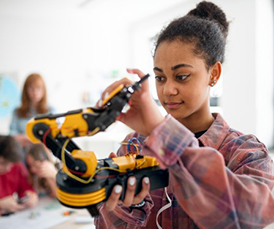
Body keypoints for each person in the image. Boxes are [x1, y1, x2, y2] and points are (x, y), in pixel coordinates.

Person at [94, 1, 274, 229]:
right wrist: (126, 206)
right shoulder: (134, 147)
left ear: (214, 74)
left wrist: (162, 133)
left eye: (181, 76)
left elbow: (246, 220)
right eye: (160, 78)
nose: (168, 90)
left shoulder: (246, 154)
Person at [9, 73, 55, 148]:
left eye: (38, 88)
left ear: (44, 90)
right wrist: (27, 138)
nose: (35, 92)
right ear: (25, 90)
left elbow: (54, 136)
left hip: (44, 154)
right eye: (31, 88)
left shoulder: (51, 111)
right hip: (22, 154)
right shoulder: (17, 112)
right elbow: (12, 135)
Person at [0, 135, 38, 216]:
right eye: (2, 163)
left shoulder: (16, 165)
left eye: (11, 164)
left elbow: (25, 187)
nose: (8, 169)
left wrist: (30, 195)